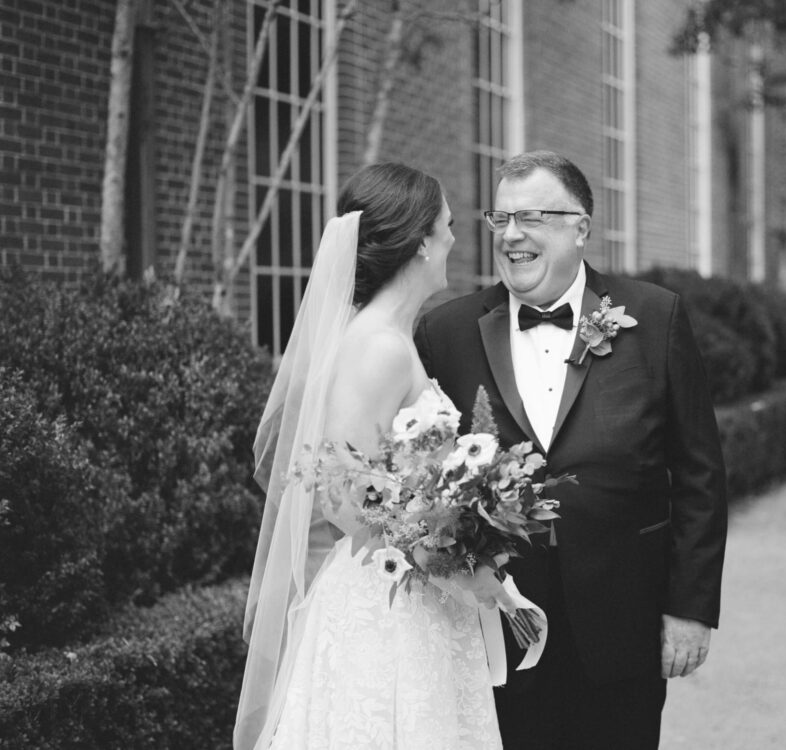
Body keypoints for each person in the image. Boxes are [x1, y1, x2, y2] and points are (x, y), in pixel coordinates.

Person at [415, 150, 728, 749]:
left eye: (531, 217)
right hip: (495, 628)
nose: (511, 234)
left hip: (623, 623)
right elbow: (424, 475)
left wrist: (690, 608)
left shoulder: (655, 317)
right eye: (499, 218)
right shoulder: (446, 332)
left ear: (581, 227)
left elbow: (699, 474)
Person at [234, 162, 516, 750]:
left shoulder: (388, 337)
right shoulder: (378, 348)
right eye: (447, 225)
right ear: (419, 242)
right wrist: (451, 556)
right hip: (389, 606)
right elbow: (338, 495)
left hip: (413, 593)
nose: (454, 240)